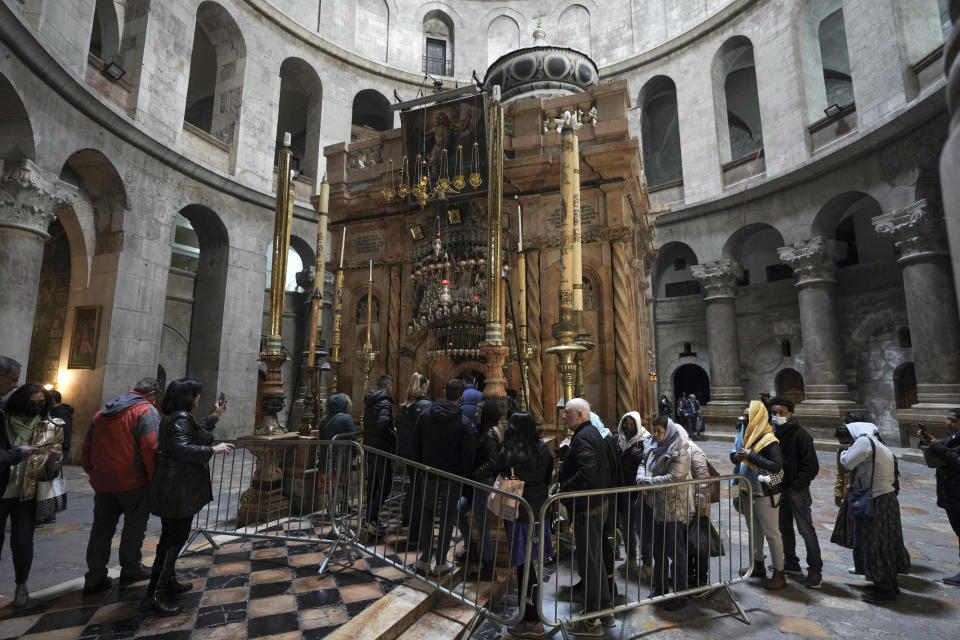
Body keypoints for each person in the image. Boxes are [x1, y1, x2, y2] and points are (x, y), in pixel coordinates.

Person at [144, 378, 232, 615]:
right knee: (173, 541)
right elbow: (183, 448)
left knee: (171, 538)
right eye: (196, 394)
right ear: (187, 396)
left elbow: (196, 434)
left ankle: (167, 582)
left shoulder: (175, 417)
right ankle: (155, 594)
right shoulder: (181, 418)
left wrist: (215, 416)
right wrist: (214, 449)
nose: (199, 398)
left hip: (173, 487)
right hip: (178, 488)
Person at [81, 377, 164, 595]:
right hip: (132, 481)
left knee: (101, 529)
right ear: (153, 395)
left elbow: (87, 446)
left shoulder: (103, 412)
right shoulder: (145, 411)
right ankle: (131, 568)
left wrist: (93, 472)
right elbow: (151, 448)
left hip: (103, 481)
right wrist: (153, 478)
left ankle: (95, 577)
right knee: (134, 527)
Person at [0, 382, 63, 608]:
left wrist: (55, 461)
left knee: (23, 540)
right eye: (31, 403)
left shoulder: (51, 426)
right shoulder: (4, 421)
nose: (36, 407)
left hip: (27, 490)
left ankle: (21, 584)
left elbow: (54, 468)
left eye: (41, 403)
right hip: (2, 487)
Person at [558, 397, 615, 635]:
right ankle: (604, 610)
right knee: (595, 560)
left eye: (567, 413)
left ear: (580, 414)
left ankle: (592, 620)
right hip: (597, 504)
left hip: (588, 507)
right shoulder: (591, 432)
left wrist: (565, 488)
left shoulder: (583, 437)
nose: (563, 417)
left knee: (589, 563)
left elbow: (587, 470)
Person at [840, 420, 910, 603]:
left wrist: (844, 453)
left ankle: (885, 589)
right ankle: (887, 583)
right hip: (886, 498)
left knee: (875, 542)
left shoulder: (864, 442)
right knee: (885, 541)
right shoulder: (879, 444)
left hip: (876, 499)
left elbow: (847, 463)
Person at [499, 412, 554, 639]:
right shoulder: (542, 449)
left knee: (524, 567)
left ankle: (531, 620)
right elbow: (549, 475)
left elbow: (499, 472)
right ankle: (531, 615)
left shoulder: (509, 452)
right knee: (534, 565)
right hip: (541, 509)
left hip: (520, 514)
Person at [412, 379, 475, 575]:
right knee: (447, 518)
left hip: (429, 473)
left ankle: (424, 559)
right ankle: (440, 563)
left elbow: (416, 443)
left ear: (444, 390)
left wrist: (420, 466)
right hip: (451, 476)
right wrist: (466, 475)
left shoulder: (425, 415)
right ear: (461, 396)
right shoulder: (463, 421)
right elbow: (467, 453)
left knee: (427, 515)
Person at [636, 415, 693, 611]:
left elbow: (674, 477)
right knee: (658, 551)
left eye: (660, 432)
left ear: (668, 431)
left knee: (675, 553)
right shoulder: (653, 445)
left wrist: (648, 483)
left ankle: (680, 594)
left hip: (673, 508)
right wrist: (641, 478)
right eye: (655, 431)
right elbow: (644, 463)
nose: (657, 435)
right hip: (656, 506)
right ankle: (659, 588)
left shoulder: (680, 448)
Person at [731, 401, 786, 590]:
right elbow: (735, 457)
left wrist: (751, 456)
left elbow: (776, 465)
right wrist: (736, 457)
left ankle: (779, 573)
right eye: (743, 417)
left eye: (748, 418)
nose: (744, 421)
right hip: (747, 489)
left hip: (765, 492)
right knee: (753, 530)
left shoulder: (769, 440)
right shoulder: (745, 436)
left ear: (757, 418)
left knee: (771, 533)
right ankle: (757, 565)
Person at [770, 395, 822, 588]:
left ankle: (815, 570)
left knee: (806, 530)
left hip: (796, 491)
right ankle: (791, 563)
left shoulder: (801, 435)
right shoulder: (773, 433)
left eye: (781, 413)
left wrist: (797, 484)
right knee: (784, 528)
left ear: (790, 414)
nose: (777, 416)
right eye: (774, 412)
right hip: (780, 489)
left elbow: (811, 466)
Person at [456, 398, 499, 580]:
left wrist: (475, 474)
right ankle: (471, 546)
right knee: (458, 510)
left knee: (482, 526)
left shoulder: (489, 435)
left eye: (479, 412)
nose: (476, 414)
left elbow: (492, 461)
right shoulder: (482, 431)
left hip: (483, 483)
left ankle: (489, 566)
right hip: (476, 483)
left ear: (486, 414)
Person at [918, 408, 960, 586]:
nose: (948, 422)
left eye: (953, 420)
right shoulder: (953, 438)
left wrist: (937, 445)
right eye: (947, 419)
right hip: (951, 494)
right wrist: (927, 442)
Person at [615, 411, 648, 576]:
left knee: (641, 528)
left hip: (638, 493)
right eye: (625, 423)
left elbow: (648, 464)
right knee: (626, 527)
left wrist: (640, 456)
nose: (628, 426)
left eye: (631, 423)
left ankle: (647, 563)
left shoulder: (644, 441)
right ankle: (631, 559)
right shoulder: (618, 440)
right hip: (623, 491)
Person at [362, 374, 396, 535]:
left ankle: (372, 518)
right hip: (381, 449)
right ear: (388, 386)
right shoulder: (384, 403)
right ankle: (370, 517)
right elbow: (383, 426)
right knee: (386, 484)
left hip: (370, 447)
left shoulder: (371, 402)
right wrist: (393, 437)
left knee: (373, 485)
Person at [49, 390, 74, 456]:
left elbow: (64, 430)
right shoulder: (60, 411)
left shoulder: (60, 413)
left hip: (58, 448)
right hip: (59, 447)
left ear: (53, 399)